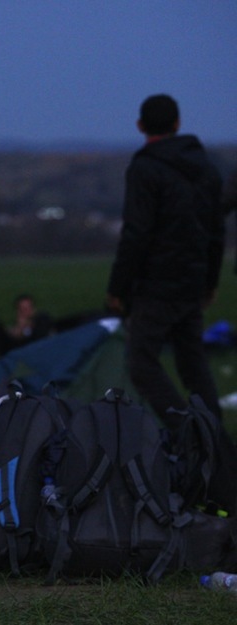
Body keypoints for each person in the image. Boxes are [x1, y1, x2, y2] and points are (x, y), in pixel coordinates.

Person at [106, 94, 225, 423]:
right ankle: (214, 440)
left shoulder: (145, 169)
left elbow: (136, 234)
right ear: (178, 124)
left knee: (142, 364)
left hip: (157, 284)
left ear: (141, 126)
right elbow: (217, 233)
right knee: (194, 365)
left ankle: (185, 429)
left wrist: (118, 287)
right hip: (193, 281)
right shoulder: (207, 171)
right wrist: (210, 281)